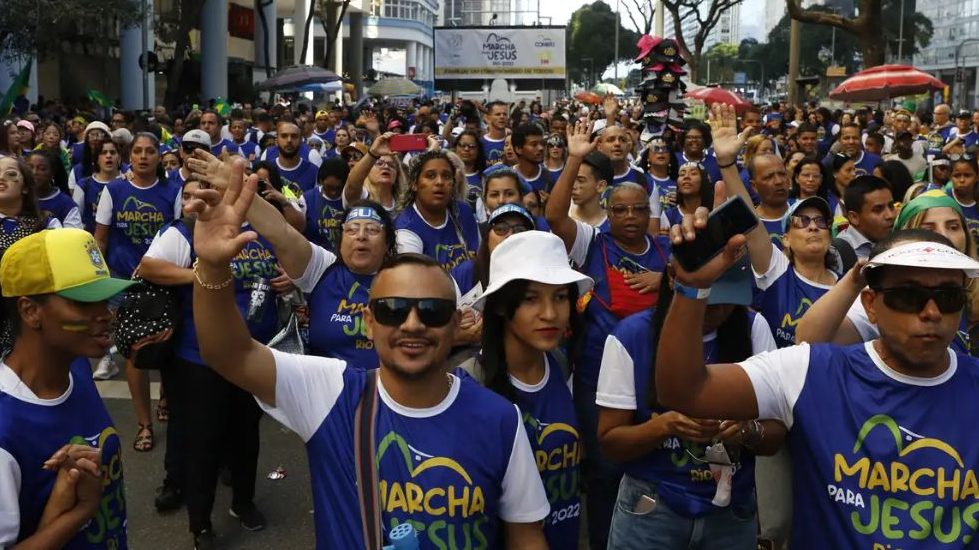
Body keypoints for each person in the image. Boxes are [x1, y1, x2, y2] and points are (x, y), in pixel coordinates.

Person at [185, 157, 550, 549]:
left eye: (432, 311)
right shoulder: (330, 393)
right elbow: (230, 355)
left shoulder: (499, 419)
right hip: (342, 417)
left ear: (454, 324)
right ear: (370, 320)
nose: (411, 323)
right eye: (391, 310)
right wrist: (212, 264)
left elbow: (525, 535)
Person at [657, 223, 979, 549]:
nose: (932, 312)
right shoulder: (810, 371)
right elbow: (685, 391)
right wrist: (691, 288)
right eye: (909, 296)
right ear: (870, 304)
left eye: (949, 297)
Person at [546, 119, 670, 550]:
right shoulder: (591, 244)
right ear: (608, 211)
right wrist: (575, 156)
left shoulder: (666, 253)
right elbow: (554, 215)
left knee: (652, 472)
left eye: (639, 210)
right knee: (603, 473)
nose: (630, 217)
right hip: (596, 383)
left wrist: (666, 280)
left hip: (654, 382)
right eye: (620, 210)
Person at [597, 262, 783, 549]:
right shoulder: (632, 336)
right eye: (708, 298)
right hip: (652, 510)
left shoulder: (753, 330)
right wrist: (663, 426)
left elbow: (776, 434)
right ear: (673, 278)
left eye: (728, 301)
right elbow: (610, 441)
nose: (718, 311)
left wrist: (748, 430)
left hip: (731, 514)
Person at [0, 228, 138, 549]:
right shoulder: (6, 429)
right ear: (30, 311)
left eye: (104, 298)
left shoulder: (76, 366)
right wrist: (81, 511)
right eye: (83, 302)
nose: (105, 314)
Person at [468, 230, 591, 549]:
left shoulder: (561, 365)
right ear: (499, 306)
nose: (550, 313)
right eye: (530, 298)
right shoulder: (470, 384)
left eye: (560, 297)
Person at [711, 104, 838, 349]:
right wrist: (727, 164)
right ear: (785, 239)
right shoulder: (778, 273)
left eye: (820, 222)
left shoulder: (847, 286)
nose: (813, 227)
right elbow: (749, 221)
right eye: (802, 221)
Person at [796, 190, 978, 357]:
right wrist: (854, 282)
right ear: (905, 239)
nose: (944, 236)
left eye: (953, 227)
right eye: (928, 229)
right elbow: (810, 341)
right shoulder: (886, 294)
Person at [94, 132, 180, 451]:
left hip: (162, 282)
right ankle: (144, 424)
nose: (143, 156)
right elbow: (100, 239)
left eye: (150, 151)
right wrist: (100, 280)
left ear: (159, 156)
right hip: (122, 284)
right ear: (130, 156)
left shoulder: (174, 190)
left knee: (167, 349)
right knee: (134, 355)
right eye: (138, 151)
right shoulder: (113, 191)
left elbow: (182, 234)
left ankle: (166, 398)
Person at [394, 150, 480, 271]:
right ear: (414, 184)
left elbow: (480, 259)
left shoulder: (463, 211)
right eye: (430, 176)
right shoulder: (406, 229)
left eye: (446, 176)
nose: (440, 182)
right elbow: (413, 284)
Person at [835, 175, 896, 263]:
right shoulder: (840, 252)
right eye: (878, 210)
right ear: (854, 217)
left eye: (891, 206)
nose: (890, 215)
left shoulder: (898, 241)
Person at [344, 133, 408, 214]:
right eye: (379, 163)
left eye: (391, 165)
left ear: (397, 175)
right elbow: (352, 185)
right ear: (368, 171)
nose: (386, 167)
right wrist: (373, 153)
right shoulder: (362, 196)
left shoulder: (405, 204)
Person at [302, 157, 348, 251]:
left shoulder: (351, 198)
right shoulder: (307, 199)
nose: (333, 192)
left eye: (338, 188)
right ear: (321, 181)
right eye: (329, 187)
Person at [27, 150, 82, 229]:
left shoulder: (66, 204)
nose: (34, 172)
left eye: (41, 168)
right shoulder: (17, 198)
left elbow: (74, 238)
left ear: (52, 173)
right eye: (30, 167)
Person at [749, 154, 791, 248]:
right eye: (769, 177)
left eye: (782, 174)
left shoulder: (805, 210)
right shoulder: (748, 227)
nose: (778, 181)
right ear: (754, 186)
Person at [660, 162, 712, 231]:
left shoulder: (714, 210)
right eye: (682, 174)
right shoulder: (668, 216)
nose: (686, 176)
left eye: (693, 173)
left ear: (704, 181)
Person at [569, 151, 613, 229]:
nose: (573, 186)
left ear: (601, 186)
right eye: (572, 179)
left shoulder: (612, 226)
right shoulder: (561, 215)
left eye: (581, 180)